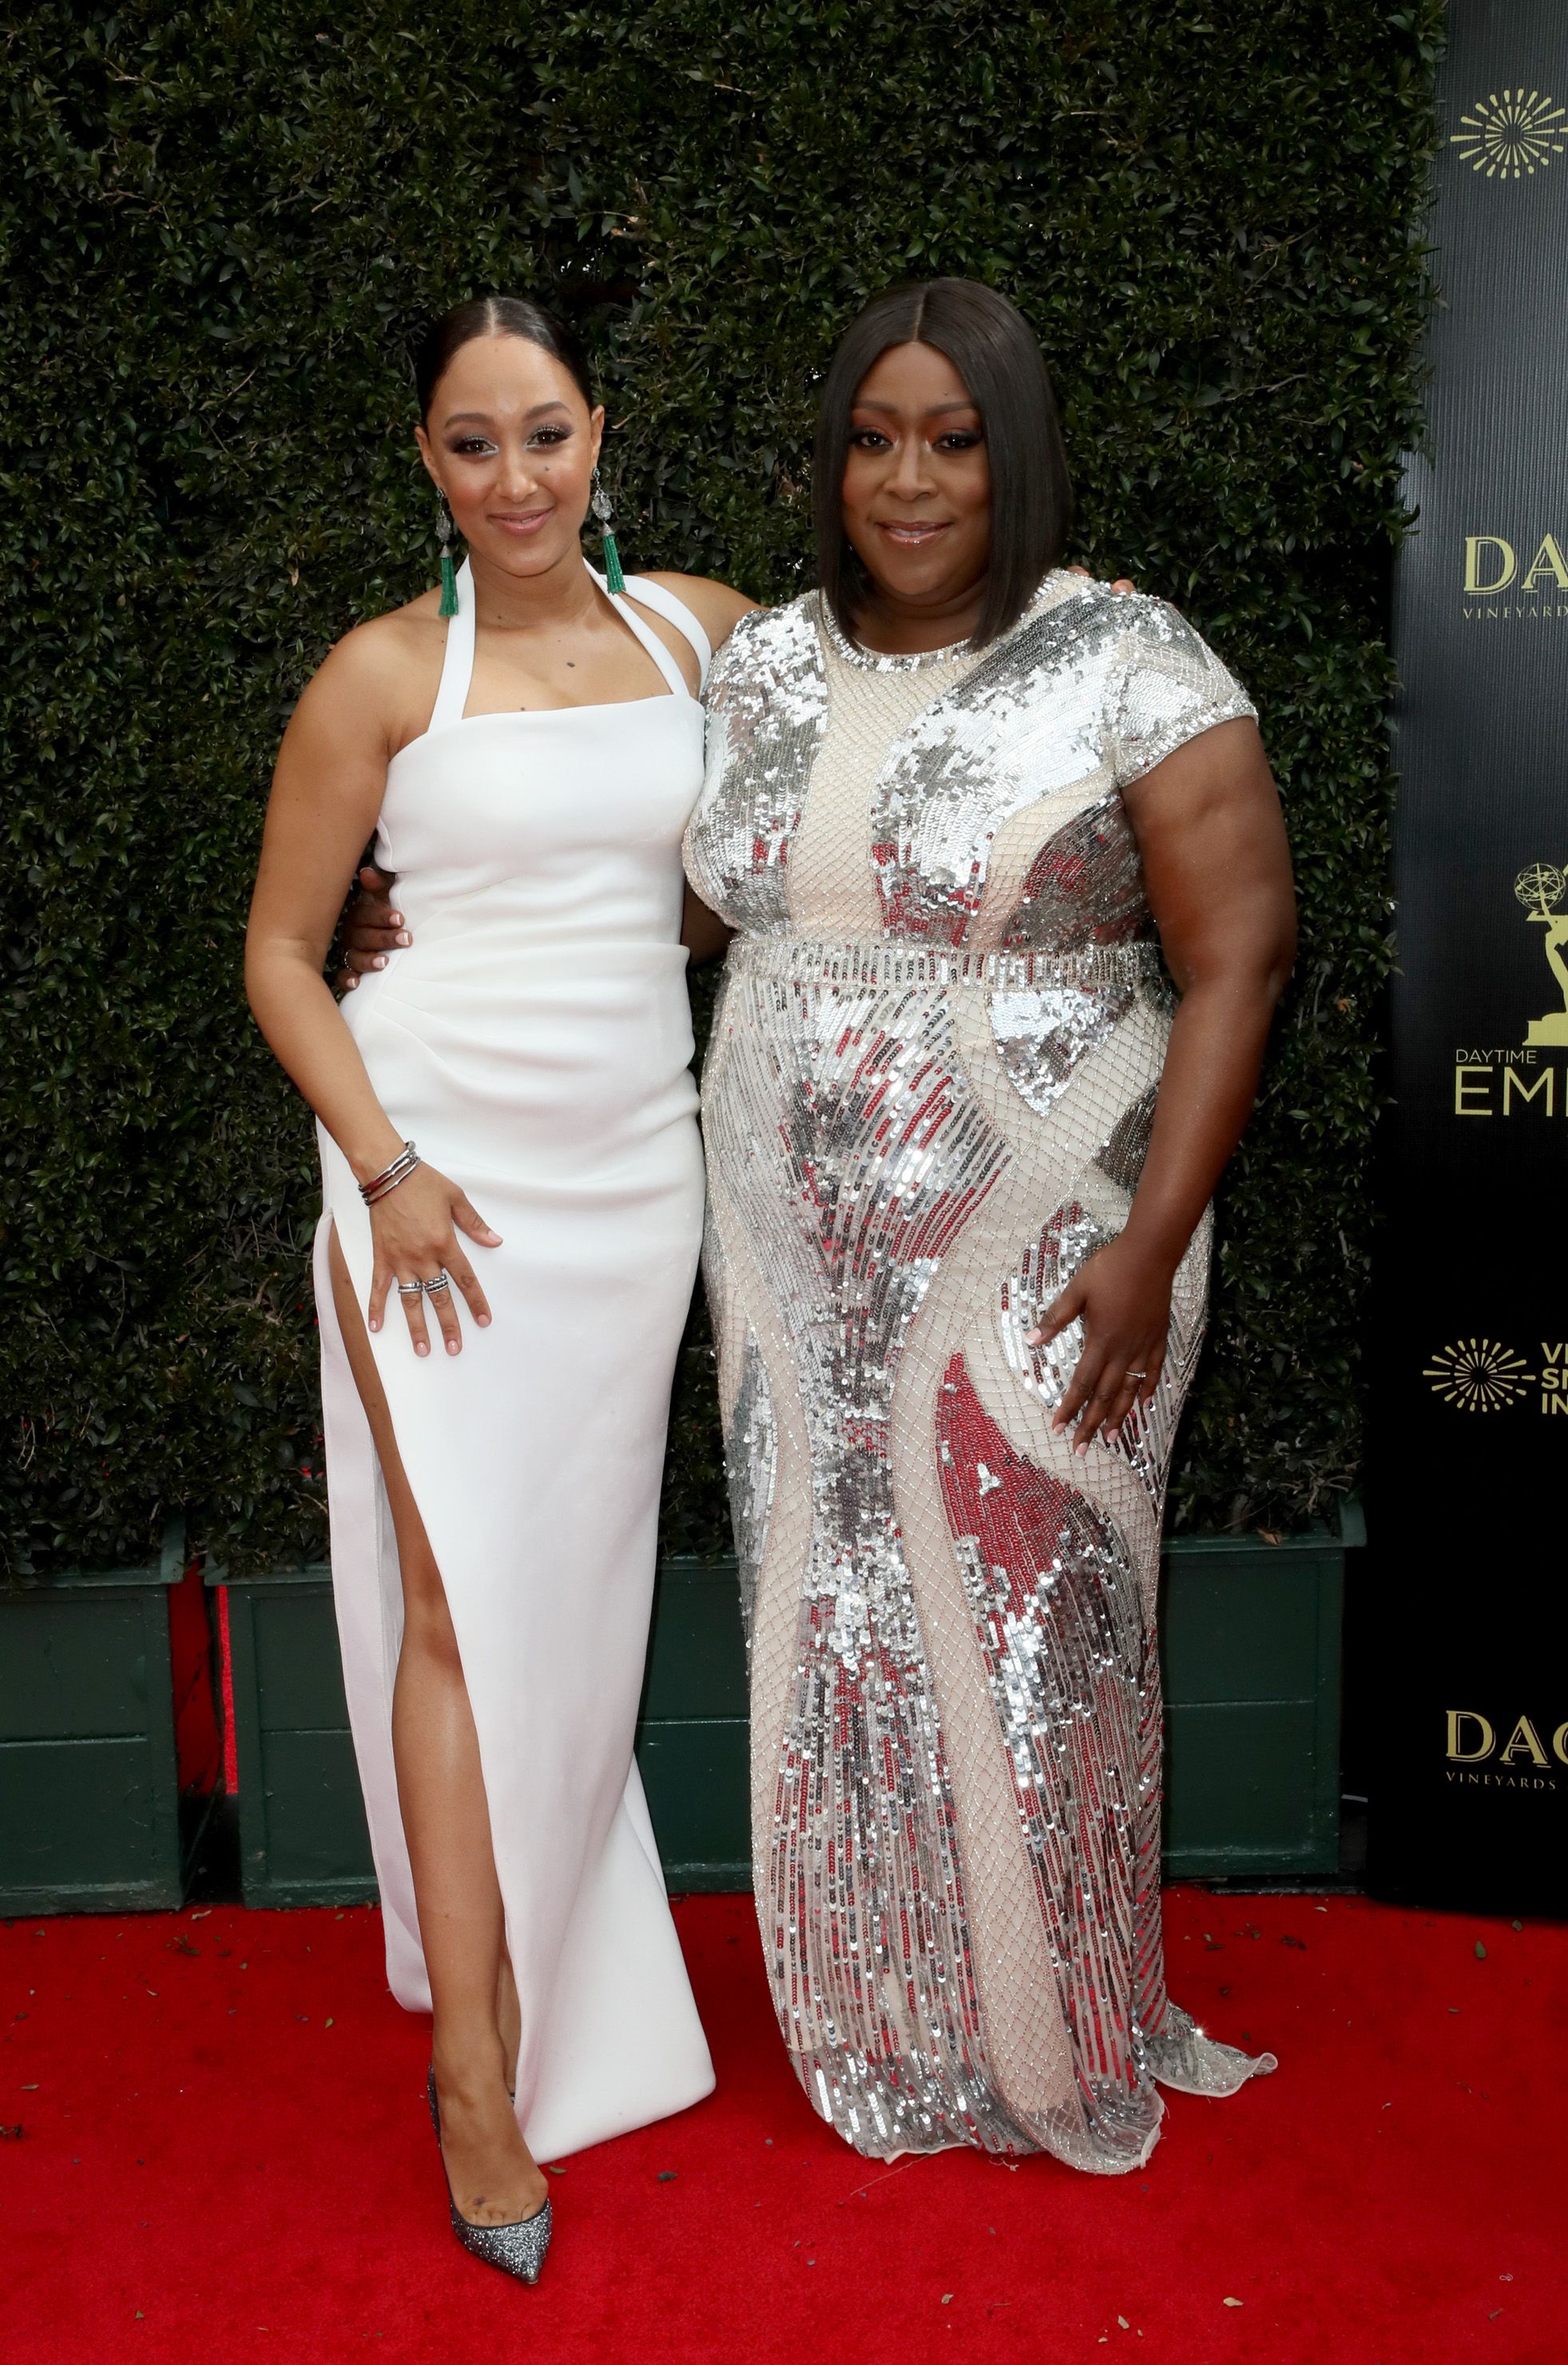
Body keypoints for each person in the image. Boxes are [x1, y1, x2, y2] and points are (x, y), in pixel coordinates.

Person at [346, 276, 1296, 2176]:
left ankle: (1050, 2022)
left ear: (1014, 452)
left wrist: (1149, 1242)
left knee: (1039, 1627)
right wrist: (406, 898)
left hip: (1056, 1233)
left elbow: (1241, 953)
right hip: (777, 1258)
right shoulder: (756, 659)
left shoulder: (1127, 654)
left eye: (951, 440)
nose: (909, 478)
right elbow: (652, 870)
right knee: (838, 1621)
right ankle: (880, 2018)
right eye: (873, 439)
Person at [245, 294, 752, 2280]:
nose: (517, 478)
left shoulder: (701, 631)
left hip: (638, 1171)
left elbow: (896, 700)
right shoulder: (379, 674)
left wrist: (1081, 596)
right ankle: (475, 2069)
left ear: (599, 434)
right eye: (474, 443)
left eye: (546, 434)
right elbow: (286, 954)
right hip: (432, 1179)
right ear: (427, 463)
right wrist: (387, 1171)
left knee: (578, 1596)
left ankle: (543, 1969)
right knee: (456, 1591)